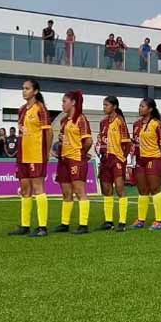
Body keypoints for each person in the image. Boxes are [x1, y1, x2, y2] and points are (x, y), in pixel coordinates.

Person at [11, 79, 52, 237]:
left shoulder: (40, 109)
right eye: (23, 88)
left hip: (36, 154)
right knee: (25, 189)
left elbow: (49, 133)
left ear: (35, 91)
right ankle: (25, 225)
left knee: (38, 188)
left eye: (27, 88)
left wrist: (46, 152)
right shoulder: (22, 110)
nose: (24, 91)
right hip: (22, 155)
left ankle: (42, 227)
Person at [53, 91, 92, 234]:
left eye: (64, 101)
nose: (62, 104)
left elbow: (88, 140)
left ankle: (83, 225)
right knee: (66, 192)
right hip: (63, 159)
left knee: (79, 191)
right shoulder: (64, 120)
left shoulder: (81, 119)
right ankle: (65, 223)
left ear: (73, 102)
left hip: (75, 159)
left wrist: (80, 154)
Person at [132, 98, 161, 230]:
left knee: (155, 189)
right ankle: (141, 219)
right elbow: (135, 142)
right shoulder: (136, 124)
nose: (140, 108)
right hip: (140, 159)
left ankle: (159, 221)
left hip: (154, 158)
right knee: (142, 190)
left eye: (143, 106)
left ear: (150, 109)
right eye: (140, 106)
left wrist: (160, 156)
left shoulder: (157, 124)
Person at [97, 95, 131, 232]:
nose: (104, 107)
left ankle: (122, 222)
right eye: (104, 105)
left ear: (114, 106)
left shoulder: (120, 121)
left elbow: (127, 143)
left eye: (107, 105)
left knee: (119, 188)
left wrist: (122, 158)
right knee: (106, 189)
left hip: (116, 158)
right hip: (105, 159)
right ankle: (108, 221)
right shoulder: (103, 122)